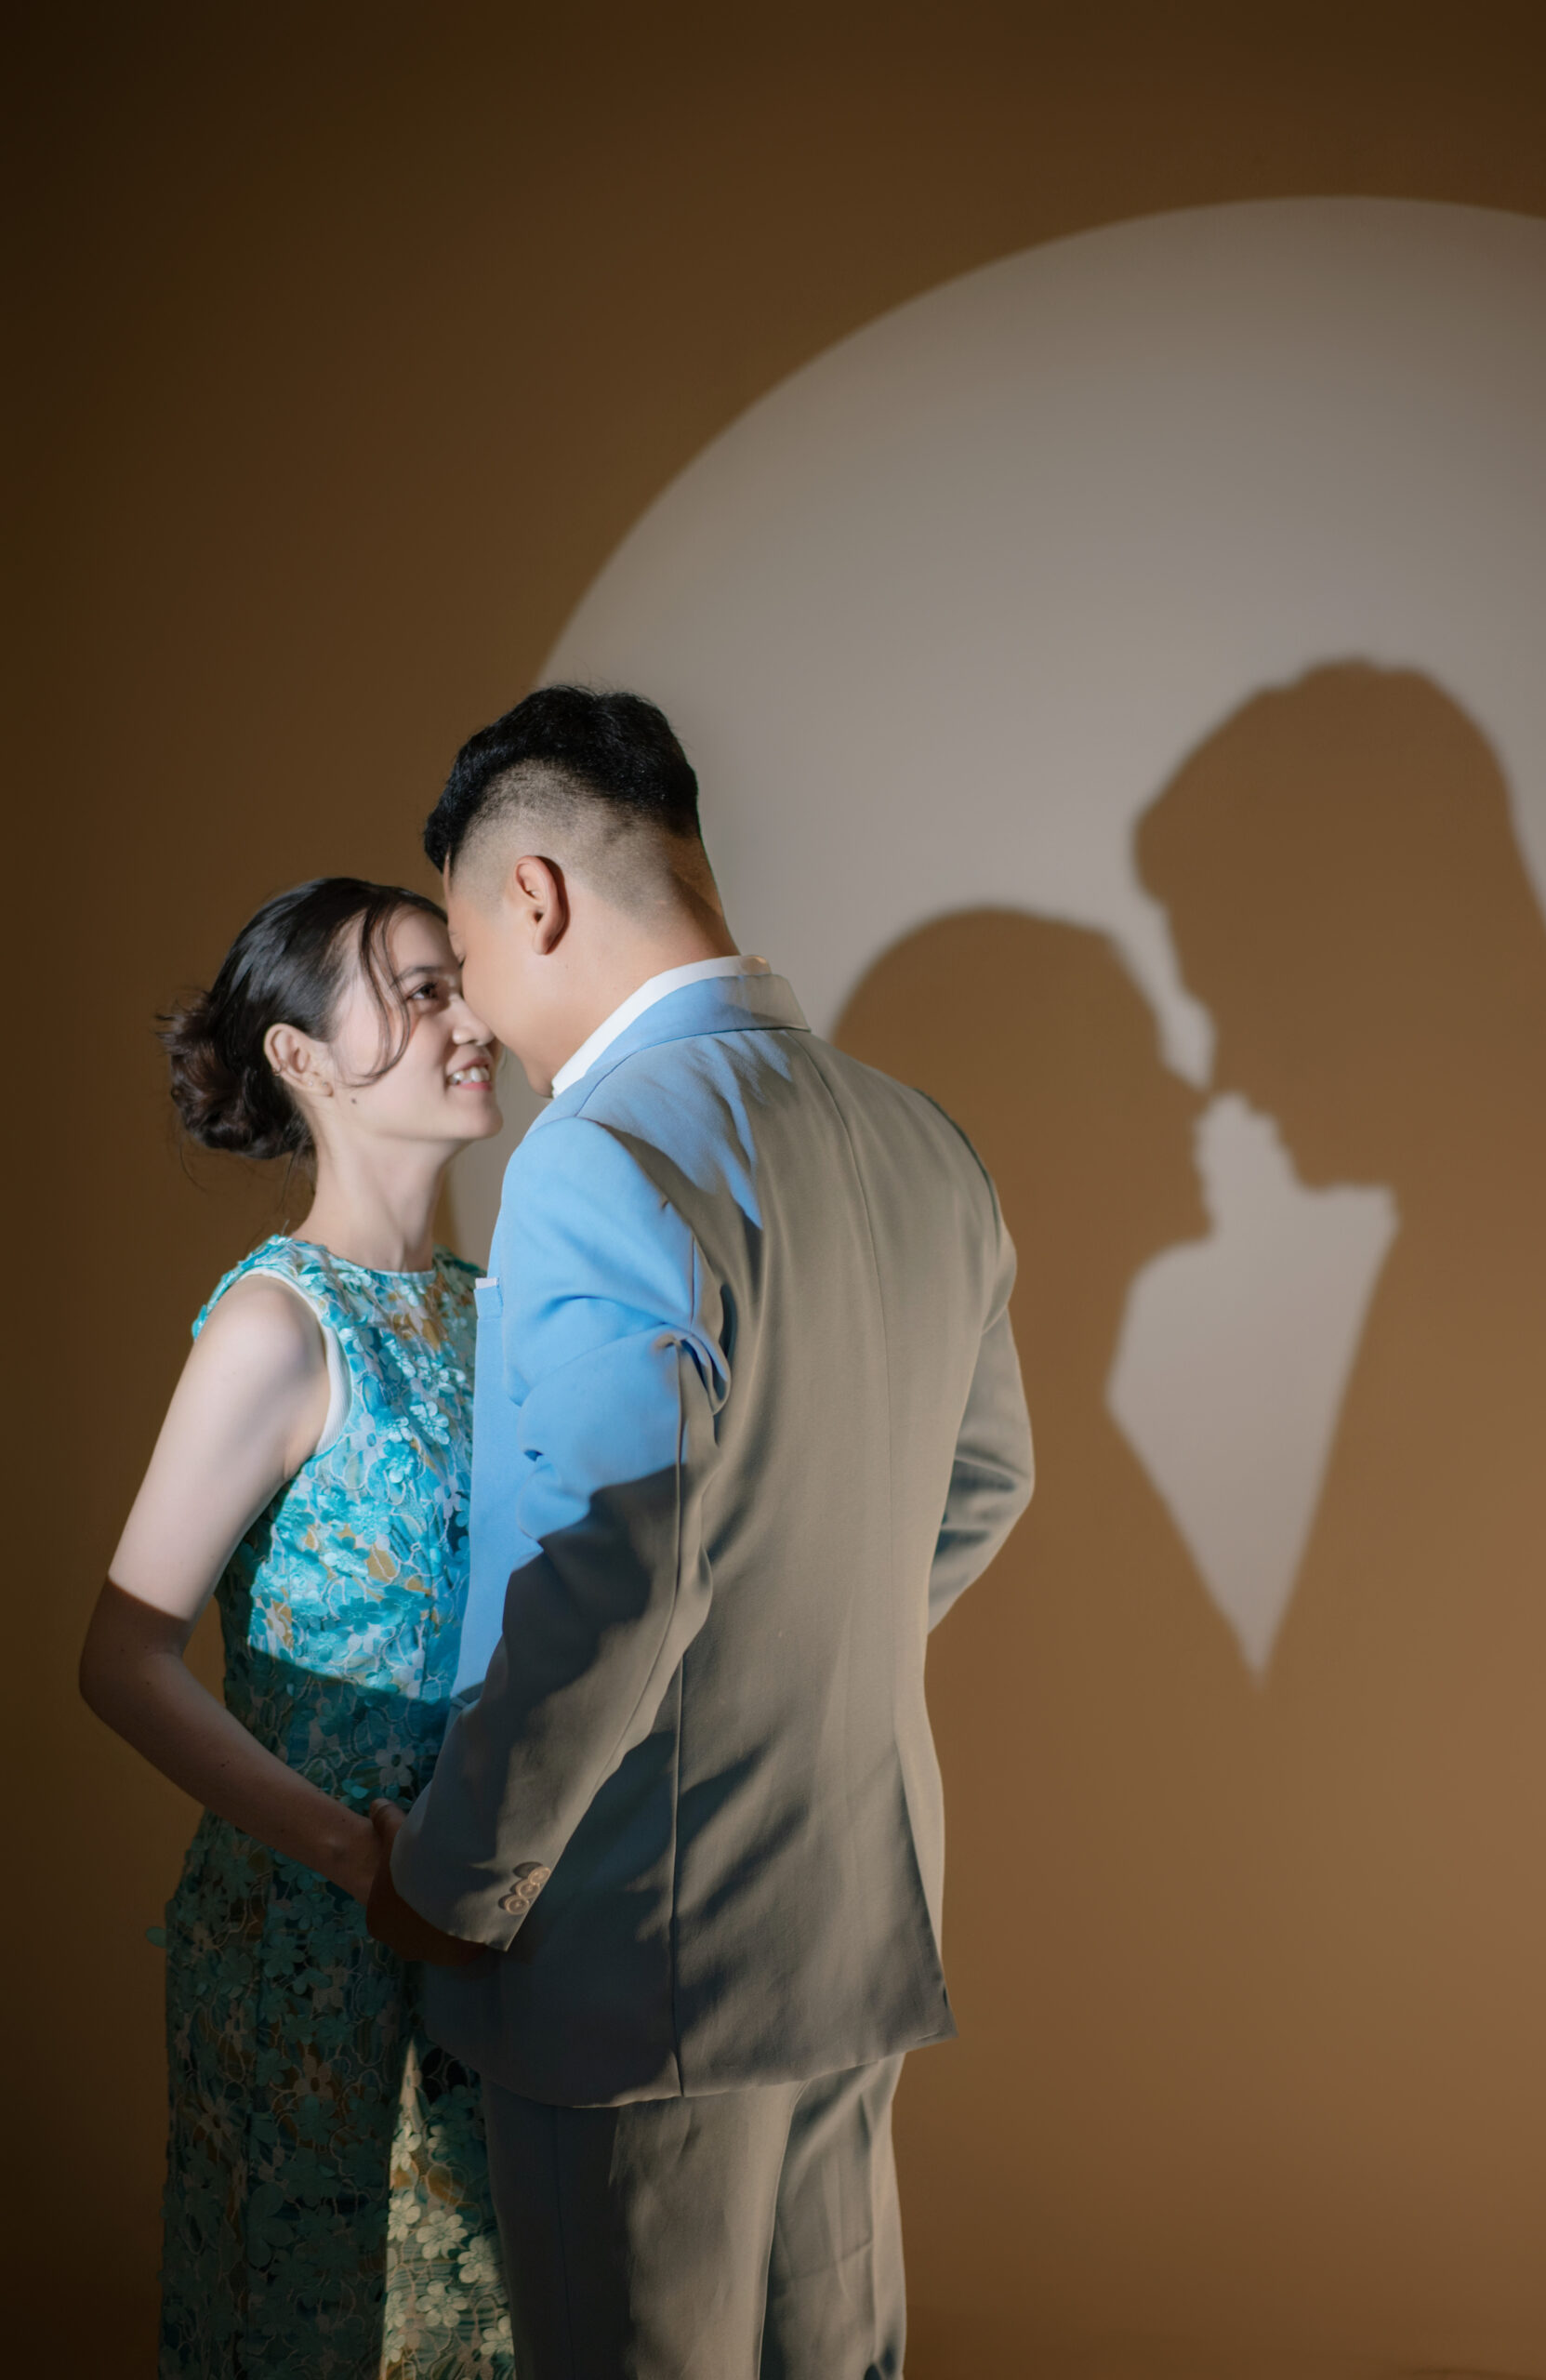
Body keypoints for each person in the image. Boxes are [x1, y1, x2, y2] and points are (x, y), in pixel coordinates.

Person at [363, 686, 1037, 2378]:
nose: (479, 1013)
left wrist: (457, 1882)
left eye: (467, 954)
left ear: (532, 896)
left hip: (632, 1941)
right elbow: (984, 1479)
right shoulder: (924, 1141)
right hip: (853, 1895)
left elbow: (608, 1570)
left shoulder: (600, 1152)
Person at [79, 877, 515, 2380]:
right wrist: (355, 1860)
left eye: (464, 983)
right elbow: (121, 1660)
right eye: (422, 991)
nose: (472, 1021)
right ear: (301, 1058)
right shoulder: (279, 1324)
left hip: (482, 1926)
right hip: (311, 1947)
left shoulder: (497, 1308)